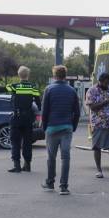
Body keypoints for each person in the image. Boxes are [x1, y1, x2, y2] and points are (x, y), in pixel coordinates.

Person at [0, 66, 41, 173]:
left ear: (19, 75)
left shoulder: (15, 87)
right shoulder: (33, 87)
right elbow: (38, 104)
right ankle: (27, 165)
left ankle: (17, 166)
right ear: (28, 75)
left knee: (15, 142)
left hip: (17, 118)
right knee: (27, 142)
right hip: (28, 119)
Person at [40, 65, 80, 194]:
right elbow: (77, 112)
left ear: (54, 75)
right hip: (67, 127)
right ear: (65, 75)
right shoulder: (72, 90)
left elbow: (44, 111)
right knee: (65, 157)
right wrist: (73, 126)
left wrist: (44, 127)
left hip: (52, 128)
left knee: (51, 157)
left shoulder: (49, 89)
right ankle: (64, 186)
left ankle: (50, 183)